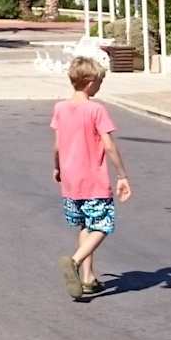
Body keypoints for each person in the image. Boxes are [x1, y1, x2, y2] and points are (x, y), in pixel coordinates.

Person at [52, 56, 132, 300]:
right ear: (89, 82)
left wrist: (57, 168)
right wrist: (122, 175)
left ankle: (88, 278)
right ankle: (75, 261)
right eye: (99, 82)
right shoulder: (96, 110)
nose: (100, 86)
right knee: (102, 225)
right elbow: (108, 145)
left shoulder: (60, 108)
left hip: (70, 180)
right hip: (93, 180)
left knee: (85, 225)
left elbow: (57, 145)